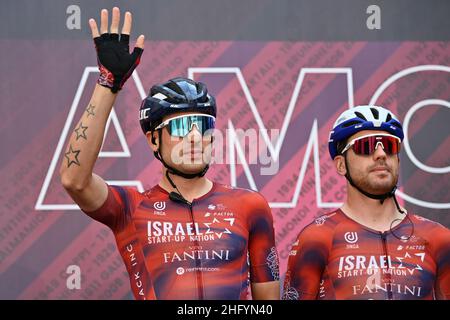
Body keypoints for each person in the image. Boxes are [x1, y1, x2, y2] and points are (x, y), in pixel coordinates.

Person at [59, 7, 279, 300]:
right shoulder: (130, 209)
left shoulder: (251, 205)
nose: (193, 137)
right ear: (153, 140)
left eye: (202, 124)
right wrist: (109, 84)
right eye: (179, 127)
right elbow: (75, 180)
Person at [283, 105, 449, 300]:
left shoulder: (438, 238)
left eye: (389, 145)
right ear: (341, 164)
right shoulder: (316, 238)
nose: (380, 154)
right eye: (366, 145)